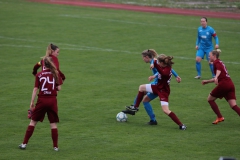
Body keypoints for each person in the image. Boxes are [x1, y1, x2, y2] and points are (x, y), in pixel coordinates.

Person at [124, 52, 186, 130]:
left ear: (162, 63)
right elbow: (155, 60)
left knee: (166, 110)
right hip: (157, 87)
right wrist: (153, 63)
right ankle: (136, 107)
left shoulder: (166, 71)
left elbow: (161, 71)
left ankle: (181, 125)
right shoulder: (164, 65)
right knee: (142, 90)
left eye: (159, 63)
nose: (158, 64)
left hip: (163, 91)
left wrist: (154, 65)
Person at [19, 56, 63, 151]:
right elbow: (59, 88)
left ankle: (24, 144)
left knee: (33, 122)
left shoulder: (39, 74)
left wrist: (32, 102)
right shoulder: (56, 73)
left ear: (43, 64)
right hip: (52, 101)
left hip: (42, 100)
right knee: (53, 124)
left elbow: (35, 89)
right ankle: (55, 147)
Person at [201, 49, 240, 124]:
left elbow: (219, 70)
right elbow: (221, 75)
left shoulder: (216, 62)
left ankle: (219, 117)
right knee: (233, 105)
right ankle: (219, 117)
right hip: (230, 84)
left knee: (210, 99)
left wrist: (216, 77)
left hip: (224, 85)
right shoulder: (220, 62)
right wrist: (207, 81)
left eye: (210, 56)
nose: (209, 57)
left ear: (214, 56)